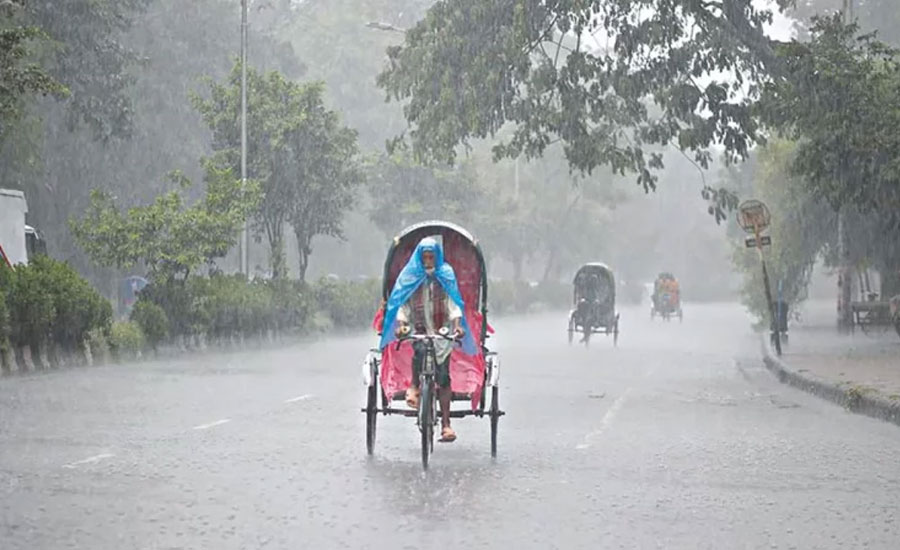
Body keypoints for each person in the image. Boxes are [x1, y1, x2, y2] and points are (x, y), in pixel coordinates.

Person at [379, 237, 476, 443]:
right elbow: (403, 304)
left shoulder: (446, 275)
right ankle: (414, 386)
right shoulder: (411, 275)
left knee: (443, 376)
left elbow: (453, 304)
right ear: (420, 258)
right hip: (419, 328)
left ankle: (447, 424)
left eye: (432, 257)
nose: (429, 261)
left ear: (437, 257)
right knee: (419, 352)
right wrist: (402, 325)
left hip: (442, 332)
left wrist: (457, 325)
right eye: (425, 257)